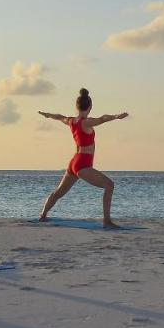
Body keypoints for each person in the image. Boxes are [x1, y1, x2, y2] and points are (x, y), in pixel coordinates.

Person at [37, 88, 129, 228]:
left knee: (58, 193)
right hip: (83, 164)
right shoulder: (87, 122)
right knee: (109, 185)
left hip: (74, 162)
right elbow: (103, 118)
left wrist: (48, 115)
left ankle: (42, 216)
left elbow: (59, 116)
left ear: (76, 106)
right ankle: (107, 221)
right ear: (90, 106)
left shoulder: (71, 121)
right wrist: (116, 116)